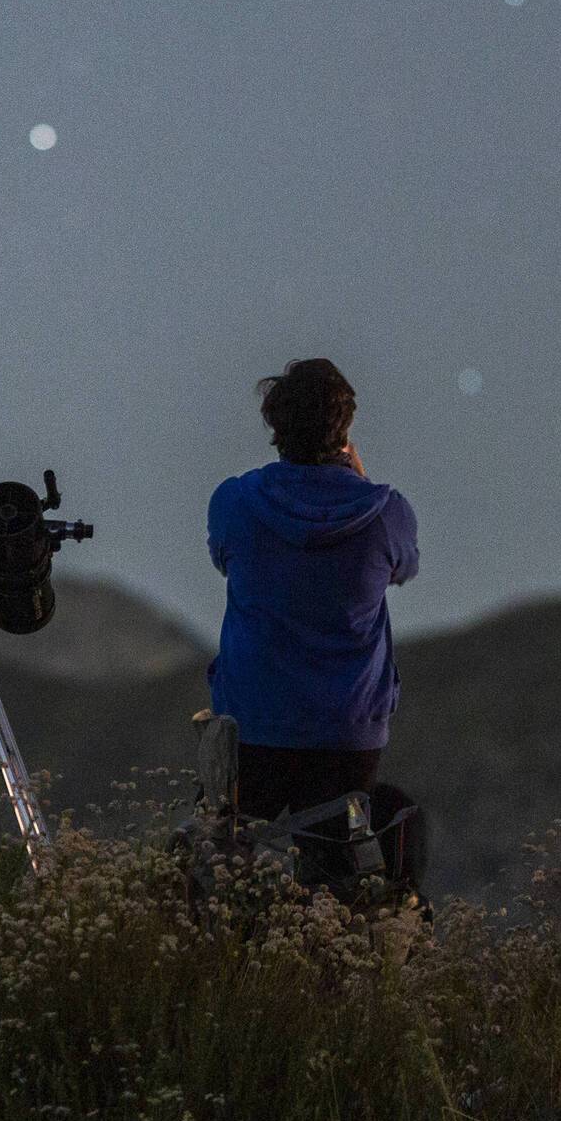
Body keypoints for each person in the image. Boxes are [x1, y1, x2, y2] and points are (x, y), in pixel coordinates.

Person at [205, 358, 420, 865]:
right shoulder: (386, 512)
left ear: (275, 428)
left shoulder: (235, 502)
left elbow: (223, 558)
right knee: (334, 862)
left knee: (225, 858)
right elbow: (403, 569)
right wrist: (360, 482)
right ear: (344, 429)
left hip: (252, 721)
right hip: (348, 730)